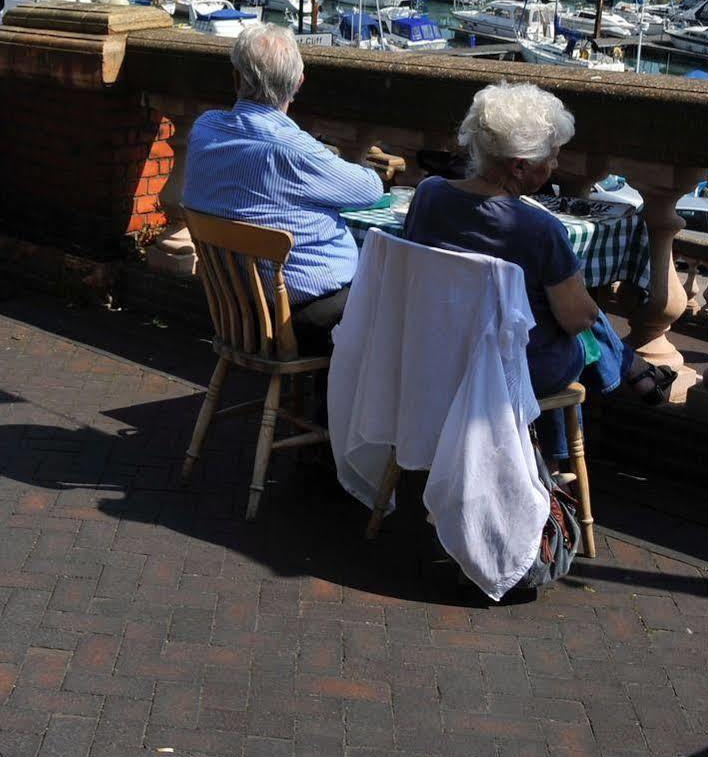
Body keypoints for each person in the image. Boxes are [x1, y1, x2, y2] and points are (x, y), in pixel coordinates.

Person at [402, 81, 668, 459]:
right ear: (520, 165)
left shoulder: (429, 195)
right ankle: (550, 459)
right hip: (506, 371)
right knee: (579, 332)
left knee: (554, 320)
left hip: (435, 354)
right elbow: (577, 321)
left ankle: (630, 375)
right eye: (553, 156)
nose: (557, 165)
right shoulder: (539, 229)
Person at [180, 23, 383, 350]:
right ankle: (336, 401)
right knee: (391, 304)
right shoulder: (295, 151)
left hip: (235, 309)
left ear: (235, 79)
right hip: (300, 316)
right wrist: (354, 154)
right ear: (298, 84)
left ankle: (314, 398)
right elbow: (370, 189)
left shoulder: (204, 130)